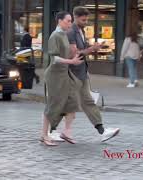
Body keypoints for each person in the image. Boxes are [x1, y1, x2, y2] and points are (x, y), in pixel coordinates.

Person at [49, 6, 120, 143]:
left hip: (81, 72)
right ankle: (51, 131)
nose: (86, 21)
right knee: (67, 103)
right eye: (83, 19)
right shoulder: (71, 32)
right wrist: (93, 49)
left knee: (87, 101)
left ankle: (102, 131)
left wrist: (93, 49)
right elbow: (74, 53)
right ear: (75, 17)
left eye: (87, 19)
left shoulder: (80, 31)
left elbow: (82, 51)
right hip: (71, 73)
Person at [41, 11, 84, 146]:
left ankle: (66, 132)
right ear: (59, 21)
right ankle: (44, 135)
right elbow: (54, 58)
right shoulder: (55, 36)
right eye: (68, 21)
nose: (70, 23)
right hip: (54, 75)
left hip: (65, 74)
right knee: (53, 105)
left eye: (71, 21)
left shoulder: (64, 34)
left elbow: (67, 54)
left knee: (73, 102)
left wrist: (74, 55)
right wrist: (71, 62)